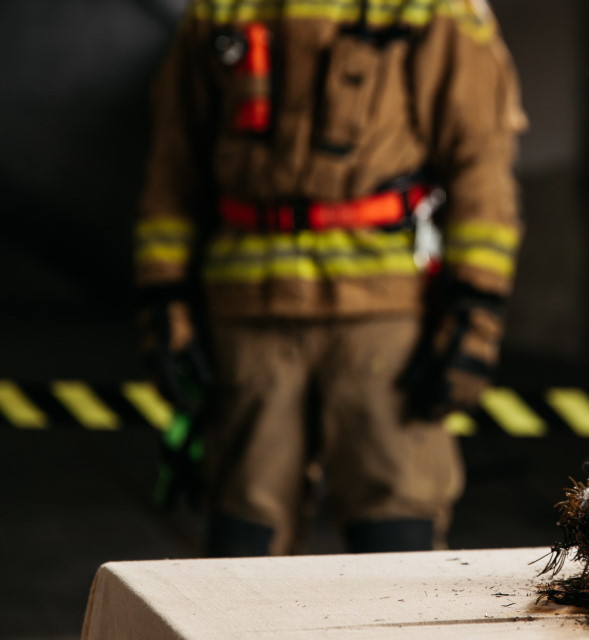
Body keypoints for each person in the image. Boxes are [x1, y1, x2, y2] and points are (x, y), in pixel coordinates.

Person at [134, 0, 526, 556]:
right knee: (245, 539)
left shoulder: (434, 10)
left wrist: (474, 316)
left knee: (396, 533)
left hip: (384, 322)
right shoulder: (219, 10)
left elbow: (481, 167)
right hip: (249, 319)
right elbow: (173, 169)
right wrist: (163, 299)